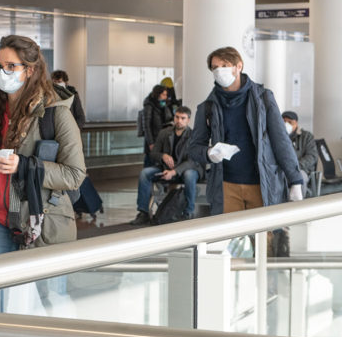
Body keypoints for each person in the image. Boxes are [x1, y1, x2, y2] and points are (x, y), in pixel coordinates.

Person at [0, 34, 86, 259]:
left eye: (11, 66)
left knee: (45, 294)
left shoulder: (56, 112)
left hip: (41, 222)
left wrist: (23, 165)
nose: (2, 72)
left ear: (30, 70)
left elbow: (74, 174)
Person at [188, 46, 304, 216]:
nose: (219, 71)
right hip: (226, 185)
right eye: (214, 68)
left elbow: (281, 141)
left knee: (266, 238)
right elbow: (194, 148)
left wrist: (295, 180)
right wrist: (208, 153)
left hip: (262, 183)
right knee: (229, 239)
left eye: (225, 65)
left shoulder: (263, 98)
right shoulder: (207, 107)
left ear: (238, 66)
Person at [131, 106, 200, 224]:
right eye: (177, 117)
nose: (179, 121)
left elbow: (192, 161)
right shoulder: (164, 133)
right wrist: (163, 156)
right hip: (165, 169)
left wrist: (174, 172)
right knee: (145, 173)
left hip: (186, 169)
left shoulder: (194, 136)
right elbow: (153, 153)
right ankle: (143, 213)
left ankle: (188, 212)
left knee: (189, 175)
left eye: (183, 118)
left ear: (188, 120)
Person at [282, 110, 317, 191]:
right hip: (283, 170)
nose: (286, 125)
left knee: (299, 178)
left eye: (290, 122)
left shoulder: (307, 136)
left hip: (300, 169)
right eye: (283, 122)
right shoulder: (278, 137)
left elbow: (312, 156)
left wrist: (296, 166)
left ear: (296, 123)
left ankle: (298, 203)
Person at [142, 84, 173, 166]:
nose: (165, 97)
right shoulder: (149, 105)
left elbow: (166, 117)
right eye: (163, 94)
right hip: (153, 138)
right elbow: (146, 125)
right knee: (150, 160)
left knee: (157, 162)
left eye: (166, 95)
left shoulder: (162, 103)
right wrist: (150, 142)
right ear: (158, 94)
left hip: (161, 137)